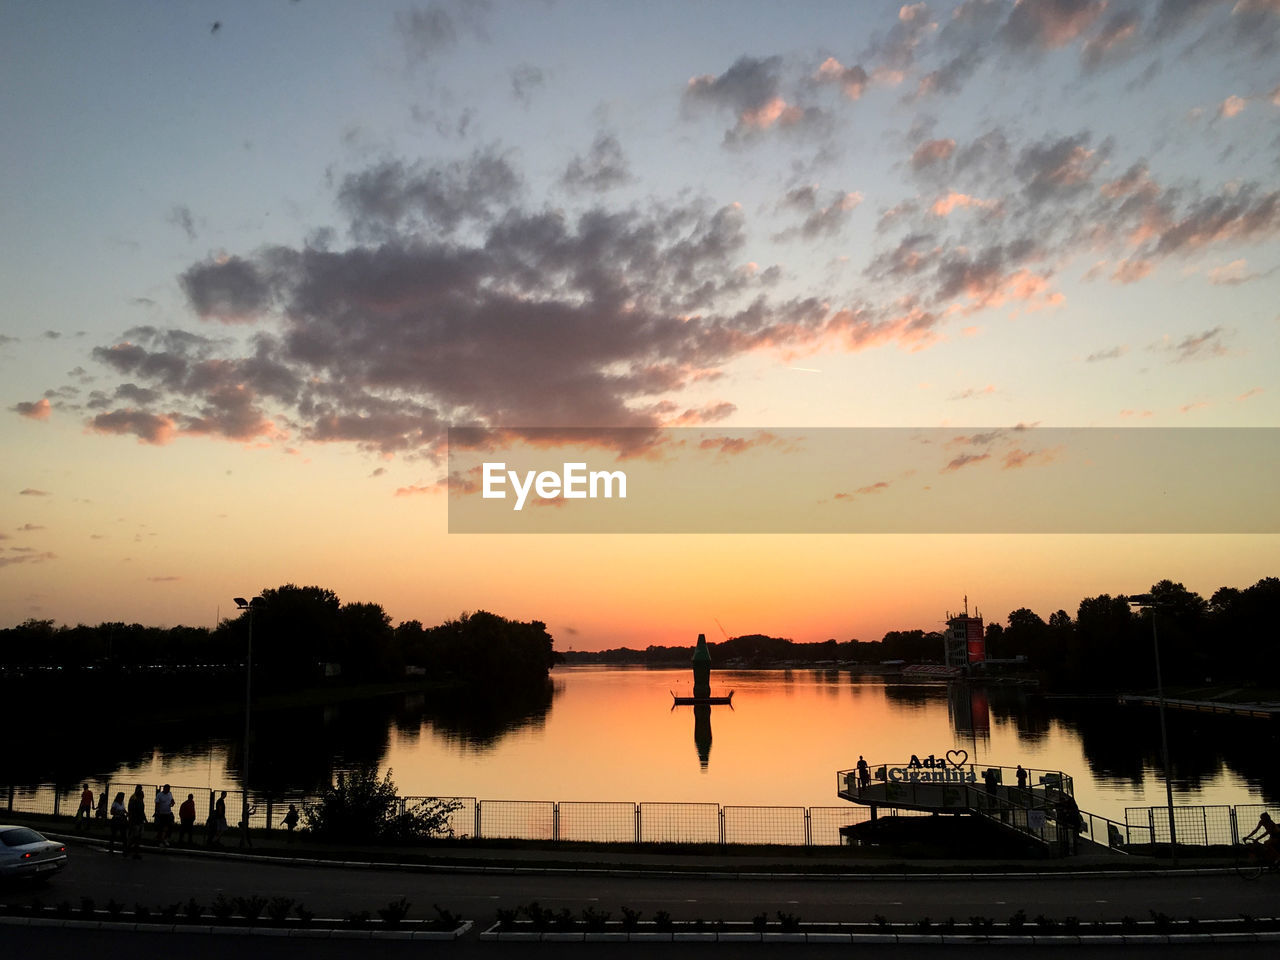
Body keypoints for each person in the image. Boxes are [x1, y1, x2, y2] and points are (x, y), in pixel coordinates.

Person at [126, 785, 147, 859]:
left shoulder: (140, 800)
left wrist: (145, 819)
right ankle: (129, 850)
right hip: (135, 821)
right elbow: (132, 811)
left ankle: (133, 851)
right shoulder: (134, 799)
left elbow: (142, 811)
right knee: (134, 837)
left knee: (137, 837)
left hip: (139, 821)